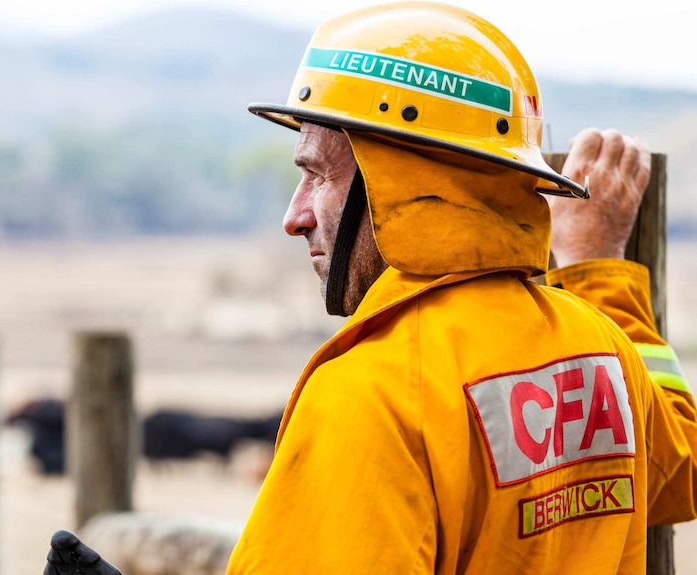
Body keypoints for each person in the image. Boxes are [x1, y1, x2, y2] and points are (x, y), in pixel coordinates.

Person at [226, 2, 697, 574]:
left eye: (318, 175)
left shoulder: (371, 393)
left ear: (406, 178)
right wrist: (597, 270)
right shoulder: (602, 346)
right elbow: (678, 476)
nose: (294, 216)